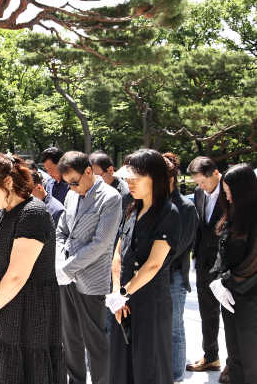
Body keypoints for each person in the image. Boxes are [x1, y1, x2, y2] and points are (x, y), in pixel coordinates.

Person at [0, 153, 65, 384]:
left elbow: (17, 275)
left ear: (8, 182)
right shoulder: (2, 211)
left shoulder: (33, 213)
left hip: (28, 313)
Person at [106, 149, 182, 384]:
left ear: (155, 177)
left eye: (136, 178)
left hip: (151, 299)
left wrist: (123, 292)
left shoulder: (168, 213)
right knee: (121, 362)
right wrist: (118, 292)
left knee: (150, 364)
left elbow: (154, 264)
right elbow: (118, 253)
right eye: (128, 178)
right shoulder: (132, 209)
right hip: (124, 298)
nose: (130, 183)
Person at [55, 151, 122, 384]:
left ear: (88, 171)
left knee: (95, 340)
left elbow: (101, 243)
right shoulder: (71, 195)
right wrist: (59, 263)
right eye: (67, 184)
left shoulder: (110, 197)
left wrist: (68, 268)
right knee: (70, 337)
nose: (72, 188)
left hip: (91, 278)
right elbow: (61, 231)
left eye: (74, 182)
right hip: (65, 276)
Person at [210, 164, 257, 384]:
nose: (227, 197)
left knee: (251, 359)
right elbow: (223, 251)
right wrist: (218, 280)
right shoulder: (234, 215)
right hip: (230, 296)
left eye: (230, 192)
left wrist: (226, 281)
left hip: (250, 297)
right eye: (225, 191)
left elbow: (254, 261)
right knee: (235, 356)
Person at [186, 156, 228, 380]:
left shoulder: (232, 190)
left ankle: (234, 362)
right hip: (204, 261)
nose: (200, 186)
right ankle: (211, 356)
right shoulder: (200, 193)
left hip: (228, 262)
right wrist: (195, 257)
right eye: (197, 182)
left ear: (216, 173)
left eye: (203, 181)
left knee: (232, 314)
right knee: (207, 312)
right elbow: (200, 227)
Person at [163, 152, 199, 384]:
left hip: (173, 276)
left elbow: (179, 248)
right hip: (152, 276)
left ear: (171, 179)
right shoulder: (150, 202)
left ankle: (176, 377)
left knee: (175, 330)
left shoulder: (185, 207)